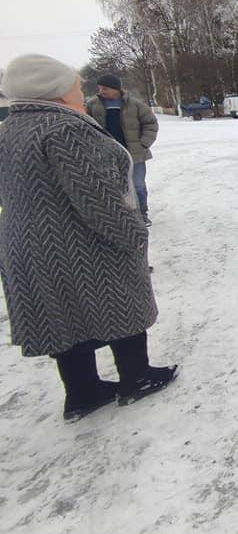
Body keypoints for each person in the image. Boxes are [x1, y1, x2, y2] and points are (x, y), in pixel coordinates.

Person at [0, 55, 177, 422]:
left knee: (63, 316)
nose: (82, 92)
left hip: (30, 245)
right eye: (75, 86)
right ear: (55, 91)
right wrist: (132, 236)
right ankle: (137, 378)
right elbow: (96, 197)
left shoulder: (8, 130)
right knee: (119, 303)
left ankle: (82, 392)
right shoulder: (64, 129)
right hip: (82, 243)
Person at [85, 73, 159, 225]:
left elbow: (151, 123)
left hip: (134, 154)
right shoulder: (92, 105)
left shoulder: (135, 104)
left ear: (116, 89)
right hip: (106, 153)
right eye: (100, 88)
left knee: (137, 185)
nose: (101, 91)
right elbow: (85, 125)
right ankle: (119, 216)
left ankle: (142, 214)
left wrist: (143, 144)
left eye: (105, 88)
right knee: (111, 186)